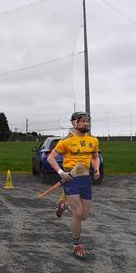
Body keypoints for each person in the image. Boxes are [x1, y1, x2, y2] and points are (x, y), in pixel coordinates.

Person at [47, 111, 100, 259]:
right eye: (82, 121)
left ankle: (64, 206)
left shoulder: (94, 141)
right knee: (77, 213)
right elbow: (51, 158)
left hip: (86, 178)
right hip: (71, 178)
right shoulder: (66, 141)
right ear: (74, 123)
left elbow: (95, 157)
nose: (86, 123)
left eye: (87, 121)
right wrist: (60, 172)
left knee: (84, 216)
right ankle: (77, 245)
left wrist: (96, 169)